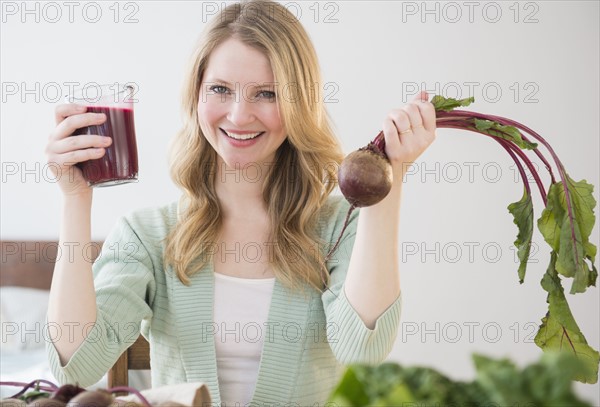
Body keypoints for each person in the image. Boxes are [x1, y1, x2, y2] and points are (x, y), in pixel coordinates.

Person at [44, 0, 436, 405]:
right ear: (195, 96)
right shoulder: (147, 235)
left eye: (266, 93)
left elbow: (364, 351)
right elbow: (75, 363)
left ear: (299, 105)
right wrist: (75, 198)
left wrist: (390, 178)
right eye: (220, 89)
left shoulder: (340, 226)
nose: (238, 114)